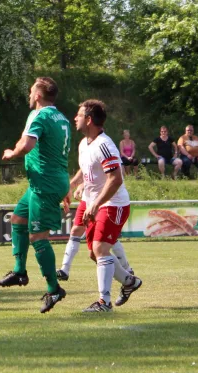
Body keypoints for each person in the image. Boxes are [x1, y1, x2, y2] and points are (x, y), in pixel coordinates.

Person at [0, 77, 69, 314]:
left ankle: (54, 288)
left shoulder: (41, 116)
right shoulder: (59, 117)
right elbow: (29, 139)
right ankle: (19, 271)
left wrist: (11, 153)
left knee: (38, 237)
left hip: (44, 184)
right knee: (18, 219)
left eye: (30, 91)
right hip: (45, 181)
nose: (28, 94)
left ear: (38, 95)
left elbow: (26, 146)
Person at [66, 99, 143, 312]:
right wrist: (71, 186)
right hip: (96, 203)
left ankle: (104, 303)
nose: (75, 118)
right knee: (95, 253)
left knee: (100, 249)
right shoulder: (84, 144)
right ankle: (129, 282)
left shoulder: (104, 144)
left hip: (114, 204)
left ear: (89, 120)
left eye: (79, 115)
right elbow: (85, 169)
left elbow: (116, 179)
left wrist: (96, 204)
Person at [56, 180, 133, 281]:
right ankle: (64, 270)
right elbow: (86, 171)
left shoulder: (109, 164)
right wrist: (77, 185)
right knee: (76, 232)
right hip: (87, 199)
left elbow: (112, 177)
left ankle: (127, 271)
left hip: (103, 199)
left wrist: (81, 185)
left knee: (101, 243)